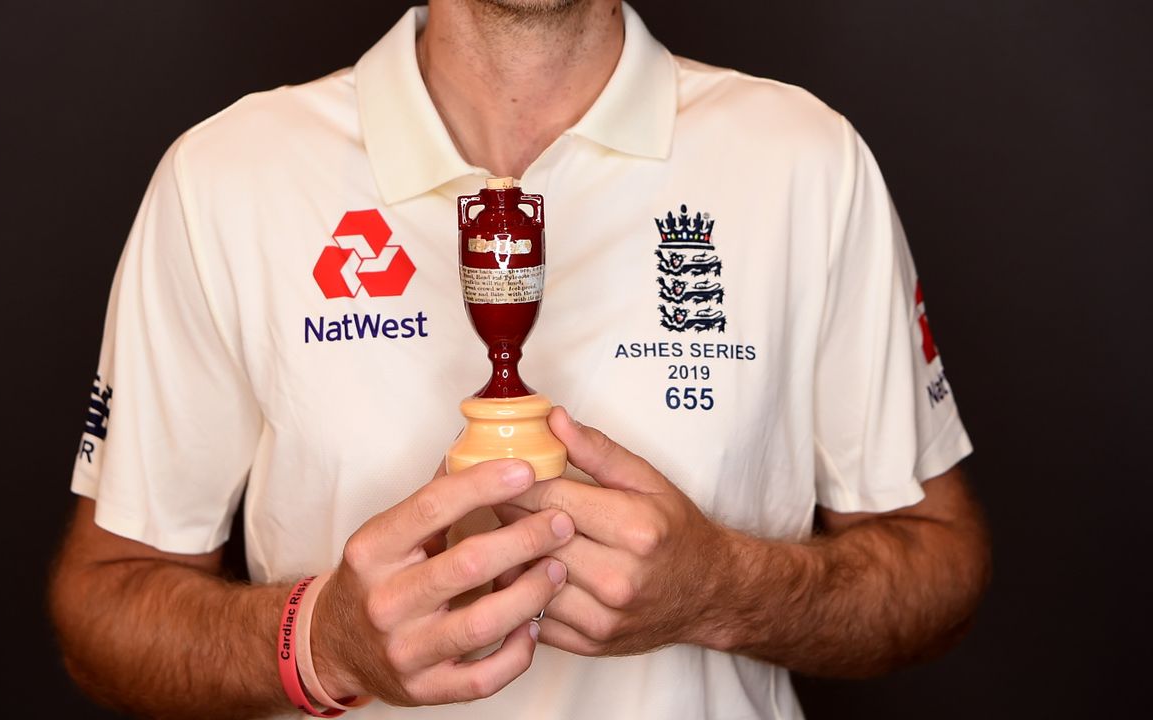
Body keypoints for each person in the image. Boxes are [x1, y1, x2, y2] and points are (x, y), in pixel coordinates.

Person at [49, 1, 991, 718]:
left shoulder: (804, 160)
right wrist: (321, 644)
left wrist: (726, 595)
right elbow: (106, 601)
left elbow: (938, 560)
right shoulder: (228, 175)